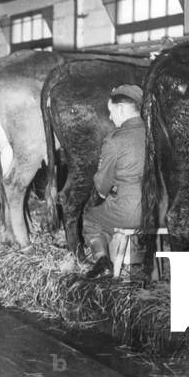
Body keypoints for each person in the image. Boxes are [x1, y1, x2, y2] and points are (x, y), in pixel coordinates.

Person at [82, 84, 147, 280]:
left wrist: (104, 193)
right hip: (158, 211)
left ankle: (102, 261)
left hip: (131, 213)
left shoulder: (114, 140)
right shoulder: (156, 135)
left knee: (91, 218)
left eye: (111, 112)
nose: (110, 118)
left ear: (120, 109)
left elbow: (102, 184)